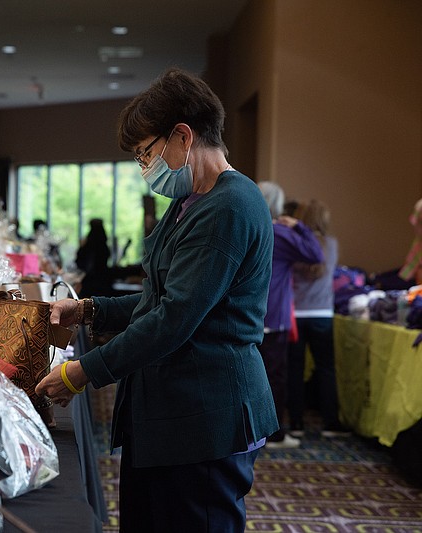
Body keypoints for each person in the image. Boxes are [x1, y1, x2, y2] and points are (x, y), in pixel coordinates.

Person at [35, 68, 279, 532]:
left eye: (145, 153)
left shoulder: (229, 206)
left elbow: (174, 318)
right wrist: (88, 309)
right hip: (174, 414)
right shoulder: (193, 200)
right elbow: (157, 297)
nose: (144, 167)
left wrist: (81, 372)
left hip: (205, 416)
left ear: (183, 137)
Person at [257, 182, 324, 449]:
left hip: (248, 314)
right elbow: (315, 254)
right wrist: (299, 226)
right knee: (275, 377)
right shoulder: (279, 233)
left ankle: (251, 430)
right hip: (274, 316)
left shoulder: (247, 225)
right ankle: (273, 433)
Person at [287, 199, 350, 438]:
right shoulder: (331, 245)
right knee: (326, 369)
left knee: (295, 368)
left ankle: (295, 423)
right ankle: (330, 423)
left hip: (297, 313)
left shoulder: (295, 244)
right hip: (323, 314)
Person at [74, 218, 113, 298]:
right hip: (103, 281)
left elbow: (79, 261)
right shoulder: (103, 245)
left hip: (89, 282)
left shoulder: (87, 244)